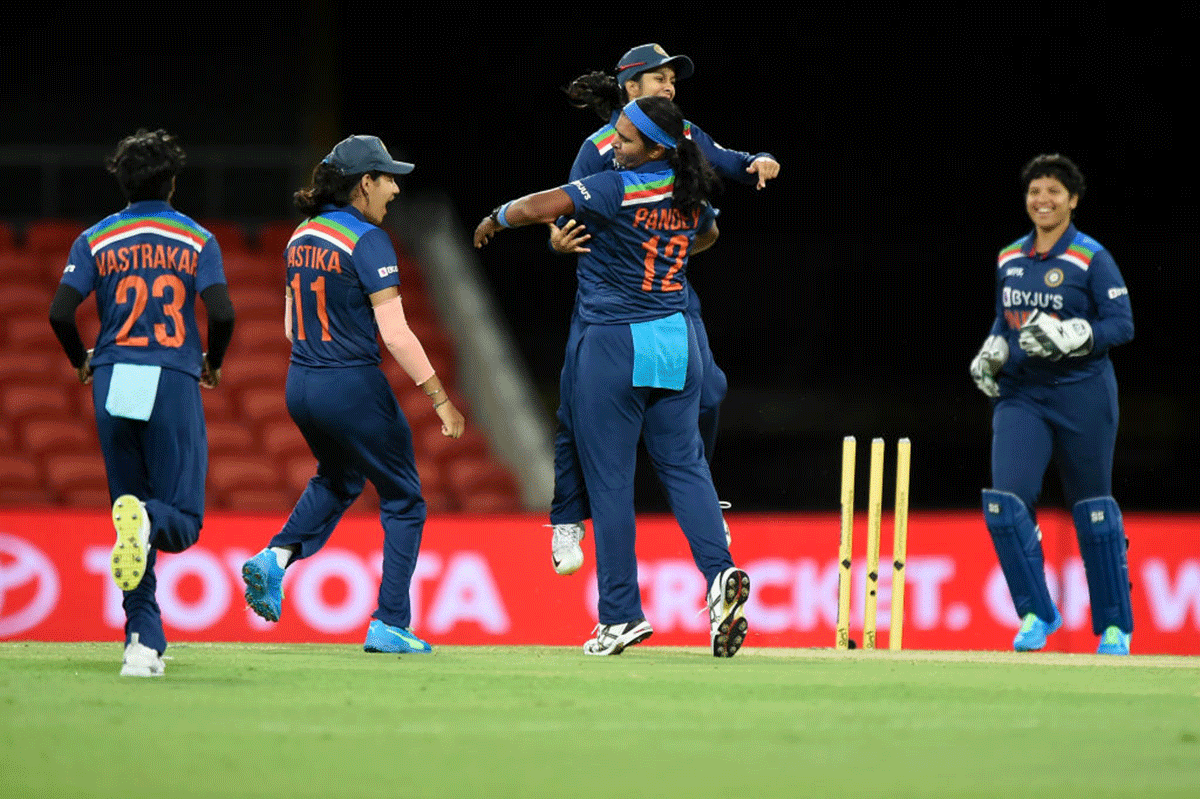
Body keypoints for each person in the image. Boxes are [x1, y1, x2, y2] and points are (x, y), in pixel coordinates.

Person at [475, 96, 750, 657]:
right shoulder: (690, 190)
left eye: (624, 140)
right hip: (674, 335)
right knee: (686, 466)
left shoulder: (618, 187)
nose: (614, 147)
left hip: (613, 342)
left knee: (610, 484)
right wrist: (666, 251)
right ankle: (720, 574)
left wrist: (495, 218)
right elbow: (709, 238)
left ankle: (621, 616)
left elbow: (540, 206)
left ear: (653, 147)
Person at [547, 43, 781, 576]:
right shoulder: (598, 149)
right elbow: (561, 211)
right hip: (604, 305)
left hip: (669, 296)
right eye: (659, 78)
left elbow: (727, 169)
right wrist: (557, 242)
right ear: (630, 87)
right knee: (572, 410)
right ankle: (565, 516)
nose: (671, 85)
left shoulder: (683, 134)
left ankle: (703, 494)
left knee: (712, 388)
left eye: (673, 78)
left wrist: (756, 162)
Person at [240, 135, 464, 655]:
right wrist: (439, 397)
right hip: (351, 383)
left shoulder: (301, 235)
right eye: (387, 178)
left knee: (339, 478)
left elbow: (293, 327)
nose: (396, 188)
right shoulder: (367, 240)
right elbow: (396, 333)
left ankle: (275, 558)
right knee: (405, 499)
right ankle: (390, 622)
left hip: (301, 383)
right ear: (364, 183)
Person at [48, 128, 235, 677]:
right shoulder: (196, 239)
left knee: (128, 510)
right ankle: (148, 522)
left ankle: (141, 641)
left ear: (123, 182)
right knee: (177, 518)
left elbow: (61, 312)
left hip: (115, 378)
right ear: (173, 182)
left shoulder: (96, 238)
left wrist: (79, 361)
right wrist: (214, 362)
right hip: (171, 377)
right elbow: (221, 313)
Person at [970, 154, 1134, 655]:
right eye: (1035, 192)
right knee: (1004, 505)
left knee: (1093, 511)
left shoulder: (1091, 257)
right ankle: (1038, 615)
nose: (1043, 200)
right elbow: (1006, 321)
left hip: (1084, 394)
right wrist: (992, 348)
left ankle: (1113, 626)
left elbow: (1121, 325)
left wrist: (1078, 333)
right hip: (1022, 396)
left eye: (1054, 192)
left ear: (1073, 200)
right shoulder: (1009, 258)